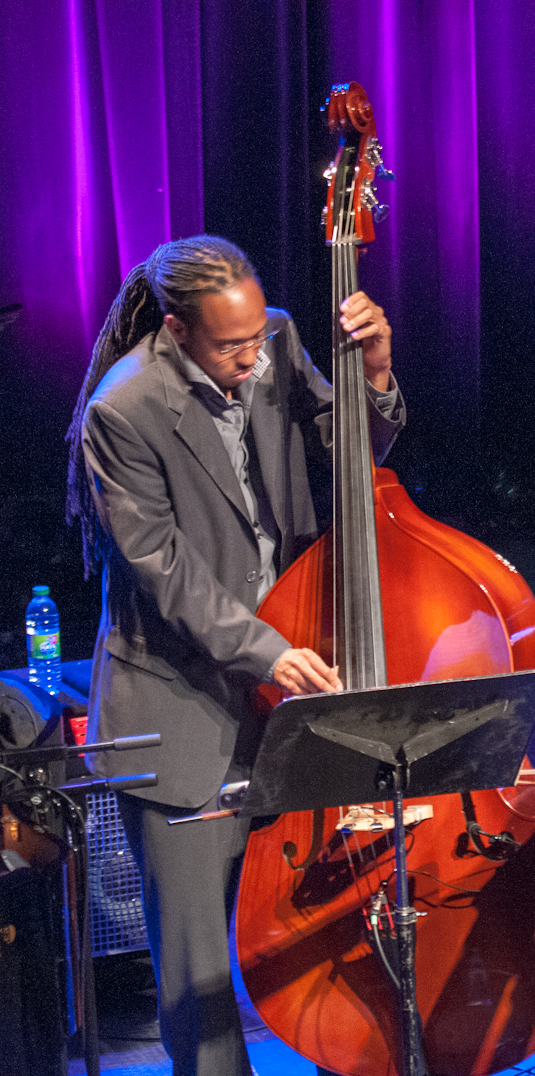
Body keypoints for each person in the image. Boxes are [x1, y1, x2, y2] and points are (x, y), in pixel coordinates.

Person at [65, 235, 404, 1076]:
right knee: (200, 980)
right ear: (178, 330)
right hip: (180, 712)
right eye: (230, 345)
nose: (252, 357)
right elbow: (163, 573)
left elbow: (353, 460)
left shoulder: (279, 341)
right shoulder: (123, 409)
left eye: (257, 338)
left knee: (336, 928)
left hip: (288, 695)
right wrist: (270, 649)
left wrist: (376, 376)